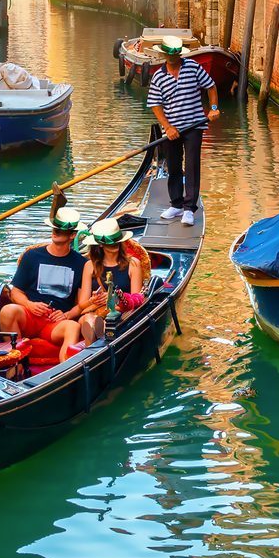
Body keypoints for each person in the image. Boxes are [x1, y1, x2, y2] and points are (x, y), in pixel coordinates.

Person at [0, 206, 100, 356]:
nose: (55, 232)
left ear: (72, 235)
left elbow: (80, 303)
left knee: (72, 327)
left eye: (60, 230)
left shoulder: (80, 264)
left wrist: (66, 315)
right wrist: (29, 305)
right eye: (54, 228)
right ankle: (16, 361)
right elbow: (16, 292)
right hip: (30, 316)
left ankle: (66, 370)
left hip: (55, 322)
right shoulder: (32, 256)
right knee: (8, 310)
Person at [145, 34, 220, 225]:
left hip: (194, 124)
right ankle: (176, 205)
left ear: (180, 54)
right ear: (163, 55)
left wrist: (212, 108)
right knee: (174, 165)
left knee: (192, 166)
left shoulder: (193, 67)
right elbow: (155, 104)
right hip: (172, 129)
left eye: (175, 54)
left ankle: (189, 209)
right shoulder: (158, 76)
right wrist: (168, 127)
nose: (172, 58)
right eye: (169, 55)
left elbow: (211, 87)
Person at [78, 219, 150, 345]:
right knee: (90, 320)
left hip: (122, 314)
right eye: (111, 242)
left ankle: (97, 345)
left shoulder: (133, 264)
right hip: (94, 313)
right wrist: (93, 300)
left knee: (107, 323)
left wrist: (114, 300)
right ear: (100, 244)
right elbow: (82, 305)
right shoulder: (89, 266)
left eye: (117, 241)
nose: (115, 244)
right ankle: (94, 347)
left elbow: (136, 301)